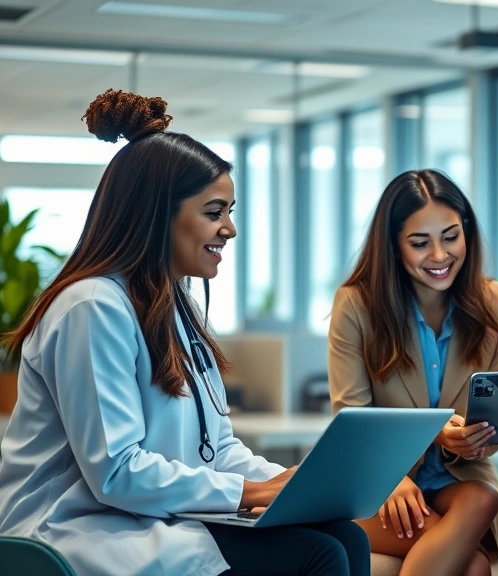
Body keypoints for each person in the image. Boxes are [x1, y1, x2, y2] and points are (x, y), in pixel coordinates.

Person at [0, 90, 370, 576]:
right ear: (158, 215)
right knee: (317, 554)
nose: (230, 230)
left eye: (230, 212)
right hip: (75, 526)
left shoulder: (174, 305)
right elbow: (116, 472)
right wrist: (251, 493)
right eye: (215, 212)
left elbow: (215, 448)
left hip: (149, 513)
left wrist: (286, 482)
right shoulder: (91, 307)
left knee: (343, 535)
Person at [328, 169, 498, 576]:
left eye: (450, 236)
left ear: (466, 231)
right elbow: (351, 416)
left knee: (484, 498)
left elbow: (494, 426)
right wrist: (390, 478)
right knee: (474, 567)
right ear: (394, 245)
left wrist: (465, 441)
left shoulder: (495, 302)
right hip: (378, 480)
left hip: (460, 479)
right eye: (419, 243)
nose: (440, 255)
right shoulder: (356, 305)